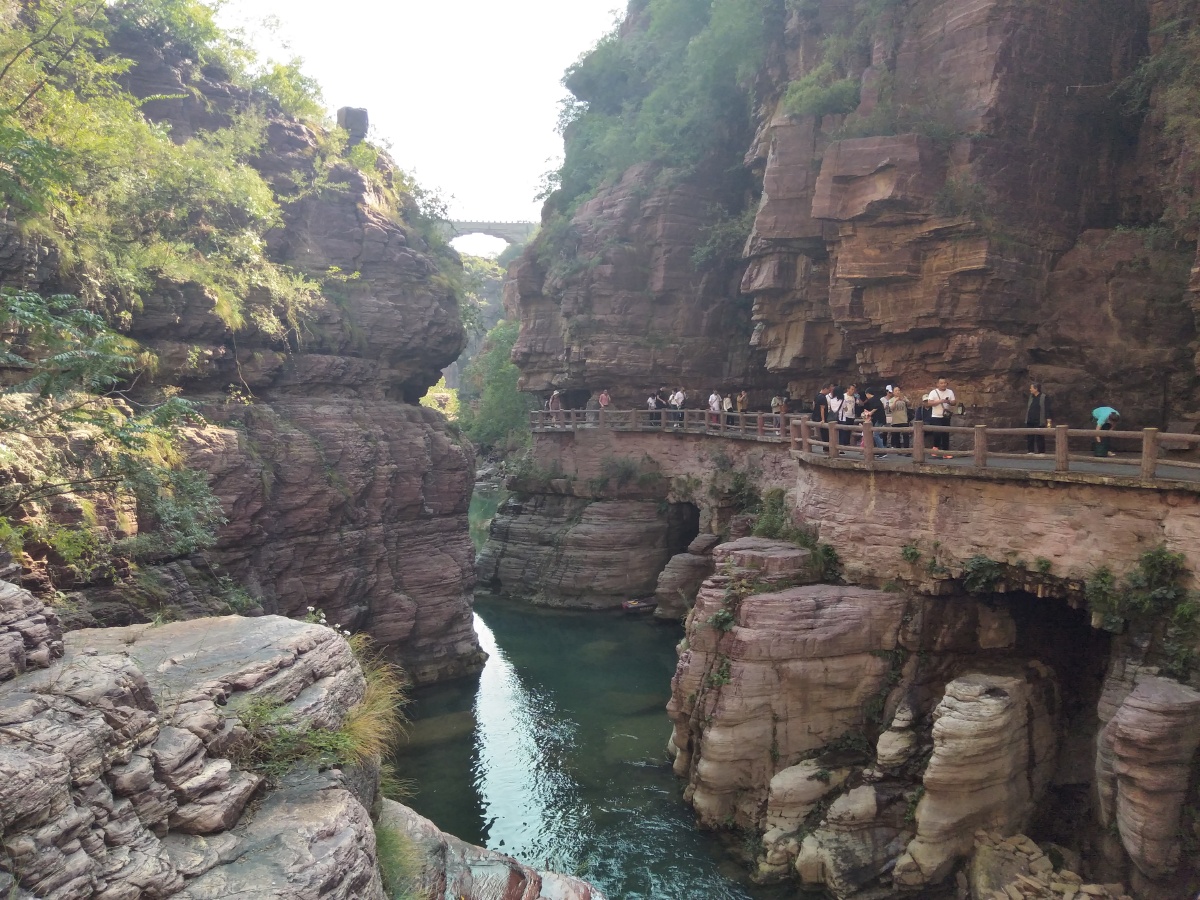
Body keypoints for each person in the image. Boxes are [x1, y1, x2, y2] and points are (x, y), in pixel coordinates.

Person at [924, 378, 956, 458]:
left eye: (945, 383)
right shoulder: (933, 392)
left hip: (945, 416)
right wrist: (940, 401)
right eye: (941, 383)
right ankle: (935, 449)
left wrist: (949, 402)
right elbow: (929, 403)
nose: (943, 384)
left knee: (946, 434)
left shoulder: (950, 392)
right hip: (936, 416)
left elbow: (954, 402)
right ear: (937, 384)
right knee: (937, 433)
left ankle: (945, 452)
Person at [1025, 382, 1053, 454]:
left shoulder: (1044, 397)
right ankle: (1031, 451)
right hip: (1030, 419)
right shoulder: (1031, 397)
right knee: (1030, 436)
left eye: (1031, 388)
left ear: (1036, 389)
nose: (1030, 389)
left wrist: (1048, 419)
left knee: (1040, 436)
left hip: (1039, 420)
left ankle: (1041, 451)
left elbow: (1047, 408)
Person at [863, 388, 888, 454]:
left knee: (875, 435)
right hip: (878, 419)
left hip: (879, 419)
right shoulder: (876, 399)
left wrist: (870, 413)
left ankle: (882, 452)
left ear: (868, 394)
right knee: (875, 435)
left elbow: (876, 407)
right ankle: (878, 450)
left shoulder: (874, 399)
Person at [812, 383, 832, 451]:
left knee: (822, 433)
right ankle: (826, 447)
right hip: (821, 417)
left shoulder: (817, 396)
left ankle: (825, 447)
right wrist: (823, 419)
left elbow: (814, 405)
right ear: (825, 389)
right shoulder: (822, 397)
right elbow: (822, 408)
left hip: (816, 416)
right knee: (825, 433)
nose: (829, 392)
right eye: (828, 390)